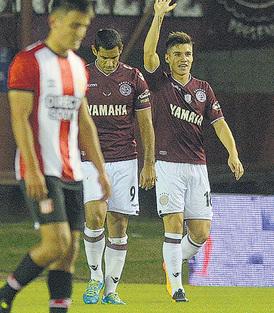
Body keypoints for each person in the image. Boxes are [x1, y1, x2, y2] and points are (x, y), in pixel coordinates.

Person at [0, 0, 112, 312]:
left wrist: (101, 169)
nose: (81, 32)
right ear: (54, 21)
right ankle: (4, 294)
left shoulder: (78, 67)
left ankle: (59, 309)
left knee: (69, 253)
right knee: (57, 243)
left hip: (74, 172)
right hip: (42, 168)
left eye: (84, 26)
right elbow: (20, 119)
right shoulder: (28, 61)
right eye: (75, 25)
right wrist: (31, 169)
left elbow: (84, 123)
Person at [143, 0, 244, 303]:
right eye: (177, 55)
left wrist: (233, 153)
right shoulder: (160, 82)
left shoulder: (204, 89)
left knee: (200, 233)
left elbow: (220, 124)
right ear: (168, 59)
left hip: (196, 166)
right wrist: (158, 17)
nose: (184, 58)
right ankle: (177, 286)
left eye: (187, 54)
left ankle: (170, 261)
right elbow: (148, 53)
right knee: (173, 225)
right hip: (167, 165)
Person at [81, 28, 156, 305]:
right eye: (106, 57)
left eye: (115, 57)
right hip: (91, 159)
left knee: (119, 224)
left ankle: (111, 292)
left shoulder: (134, 78)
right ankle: (95, 278)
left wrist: (149, 163)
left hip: (125, 160)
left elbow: (146, 125)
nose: (111, 62)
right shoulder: (82, 76)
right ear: (94, 51)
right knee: (94, 216)